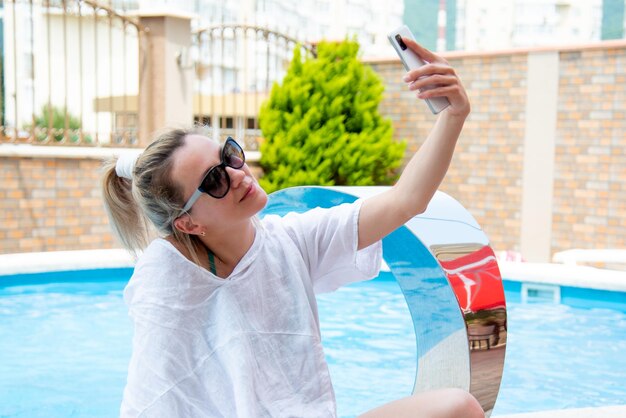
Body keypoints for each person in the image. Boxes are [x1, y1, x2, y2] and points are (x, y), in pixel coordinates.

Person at [102, 38, 484, 418]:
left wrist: (453, 115)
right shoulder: (168, 277)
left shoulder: (291, 241)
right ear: (187, 222)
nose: (237, 174)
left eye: (230, 156)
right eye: (214, 180)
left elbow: (406, 201)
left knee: (459, 407)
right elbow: (153, 396)